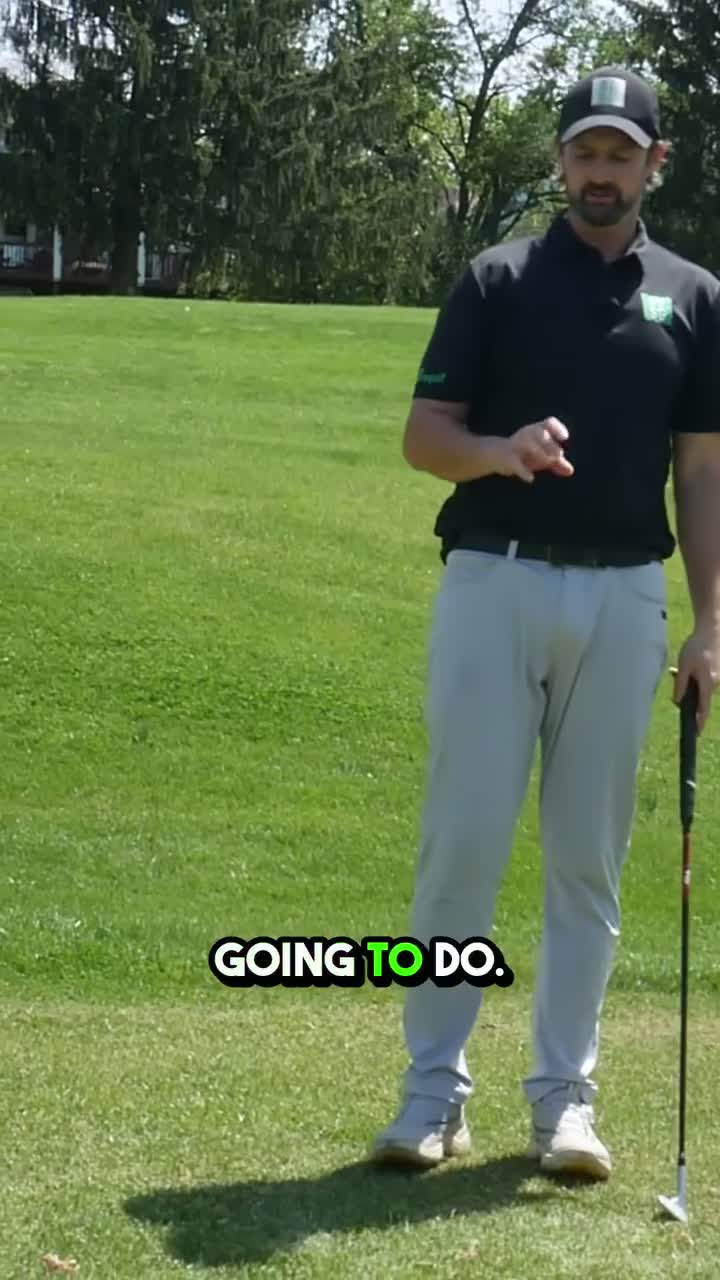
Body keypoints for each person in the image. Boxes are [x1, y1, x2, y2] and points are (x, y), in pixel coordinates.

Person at [370, 66, 720, 1180]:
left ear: (654, 164)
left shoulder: (694, 296)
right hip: (495, 578)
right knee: (460, 847)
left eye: (621, 154)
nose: (600, 173)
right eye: (584, 153)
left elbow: (701, 471)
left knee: (588, 863)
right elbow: (425, 436)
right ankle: (431, 1094)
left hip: (625, 596)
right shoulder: (497, 279)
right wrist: (499, 451)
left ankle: (565, 1102)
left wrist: (710, 622)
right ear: (561, 162)